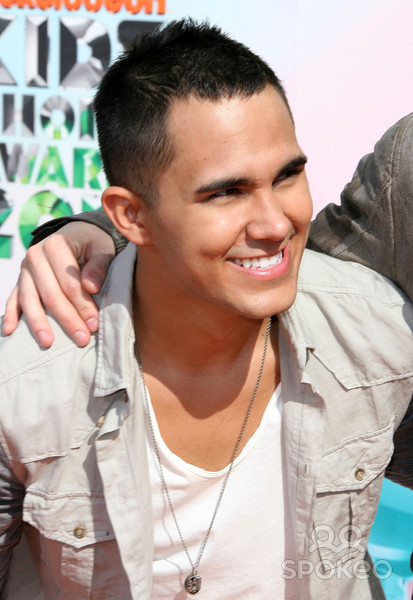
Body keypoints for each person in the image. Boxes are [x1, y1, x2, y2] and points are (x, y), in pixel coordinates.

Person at [0, 19, 412, 600]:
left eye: (288, 175)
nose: (275, 225)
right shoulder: (23, 389)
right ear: (130, 215)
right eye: (226, 193)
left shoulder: (384, 333)